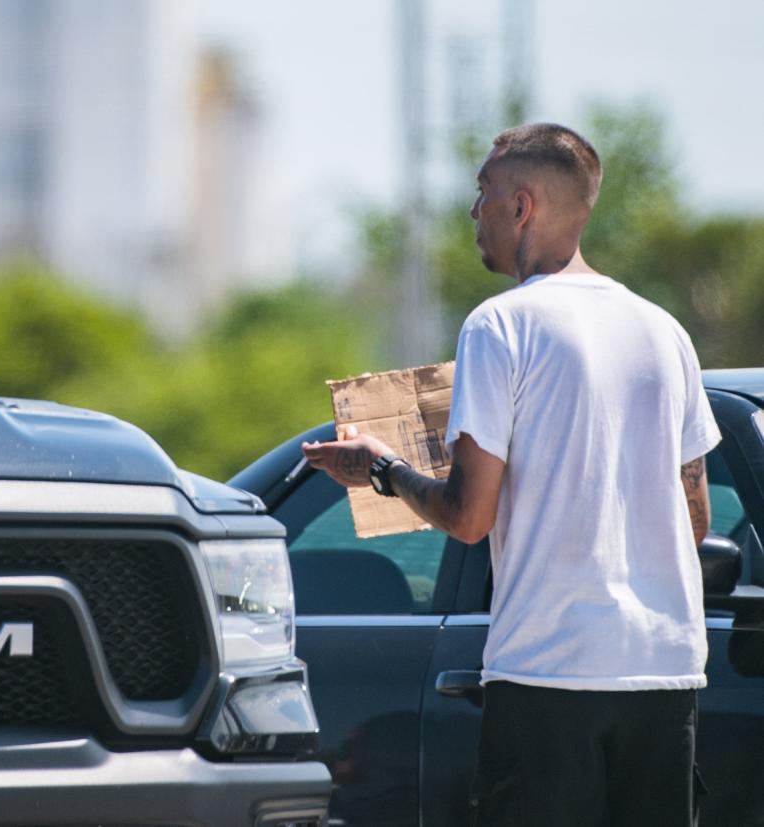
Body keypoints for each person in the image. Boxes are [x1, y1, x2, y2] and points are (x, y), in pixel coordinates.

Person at [302, 123, 719, 826]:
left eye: (482, 193)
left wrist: (381, 468)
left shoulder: (501, 326)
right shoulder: (665, 330)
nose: (473, 212)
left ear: (521, 206)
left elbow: (469, 516)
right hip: (666, 670)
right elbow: (696, 518)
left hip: (549, 671)